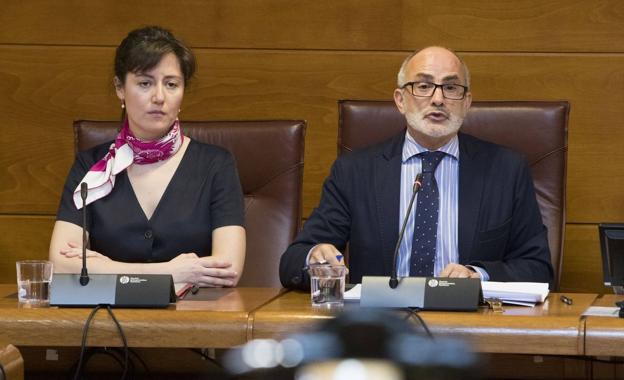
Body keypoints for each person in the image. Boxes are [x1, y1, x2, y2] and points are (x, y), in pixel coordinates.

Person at [280, 46, 553, 289]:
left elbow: (538, 269)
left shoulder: (505, 170)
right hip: (382, 330)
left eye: (451, 88)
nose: (437, 99)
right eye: (423, 86)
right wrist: (316, 256)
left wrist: (477, 276)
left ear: (467, 102)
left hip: (470, 324)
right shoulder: (355, 171)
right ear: (400, 100)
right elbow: (293, 261)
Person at [49, 26, 245, 287]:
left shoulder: (215, 164)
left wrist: (104, 268)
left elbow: (227, 269)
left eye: (171, 84)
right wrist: (172, 273)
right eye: (145, 83)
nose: (159, 97)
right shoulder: (92, 167)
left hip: (195, 318)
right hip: (106, 318)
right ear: (120, 88)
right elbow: (61, 265)